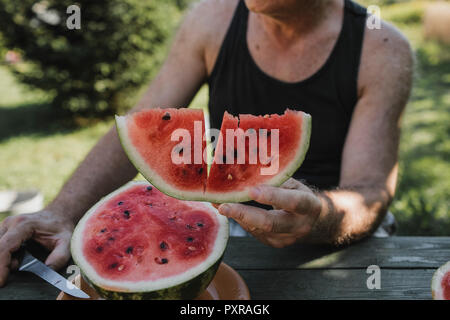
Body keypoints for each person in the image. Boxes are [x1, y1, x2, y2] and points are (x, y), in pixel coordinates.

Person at [0, 0, 413, 286]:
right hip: (229, 222)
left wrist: (320, 217)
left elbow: (371, 191)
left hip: (339, 238)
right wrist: (61, 211)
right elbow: (139, 130)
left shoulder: (381, 48)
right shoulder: (211, 20)